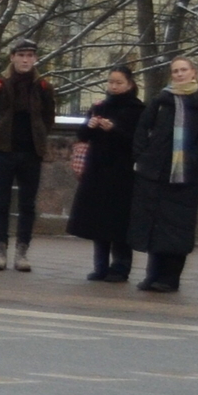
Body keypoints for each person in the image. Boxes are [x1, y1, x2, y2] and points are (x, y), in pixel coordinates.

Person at [127, 56, 198, 293]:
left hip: (183, 175)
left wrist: (192, 161)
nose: (179, 74)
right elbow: (142, 129)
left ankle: (170, 278)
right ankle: (153, 275)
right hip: (155, 172)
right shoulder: (161, 100)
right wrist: (142, 157)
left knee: (177, 228)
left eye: (183, 70)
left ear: (193, 73)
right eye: (175, 71)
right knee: (155, 225)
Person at [0, 39, 57, 271]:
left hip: (31, 153)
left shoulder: (43, 86)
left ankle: (22, 252)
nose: (25, 60)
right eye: (21, 55)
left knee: (27, 204)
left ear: (35, 59)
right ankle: (0, 250)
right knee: (1, 202)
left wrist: (39, 136)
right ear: (12, 57)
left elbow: (48, 117)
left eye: (30, 55)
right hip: (4, 151)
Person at [65, 67, 141, 282]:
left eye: (119, 83)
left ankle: (120, 267)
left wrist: (114, 129)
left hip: (122, 173)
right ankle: (100, 267)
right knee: (97, 222)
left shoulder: (136, 109)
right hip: (98, 170)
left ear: (129, 84)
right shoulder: (100, 106)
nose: (114, 87)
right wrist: (90, 126)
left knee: (119, 223)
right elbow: (82, 135)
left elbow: (136, 140)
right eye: (111, 82)